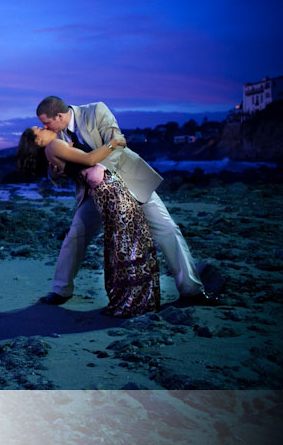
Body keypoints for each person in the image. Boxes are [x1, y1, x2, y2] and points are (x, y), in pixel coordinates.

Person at [34, 96, 218, 306]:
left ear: (59, 115)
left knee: (167, 228)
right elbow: (62, 168)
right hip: (93, 194)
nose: (44, 127)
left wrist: (100, 168)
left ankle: (191, 290)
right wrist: (56, 174)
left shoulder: (96, 110)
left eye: (46, 122)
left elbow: (117, 141)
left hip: (128, 180)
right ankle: (61, 290)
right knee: (75, 236)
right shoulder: (56, 135)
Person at [18, 126, 160, 317]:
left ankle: (134, 300)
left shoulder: (61, 142)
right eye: (39, 128)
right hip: (107, 190)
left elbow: (77, 162)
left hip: (108, 188)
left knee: (126, 240)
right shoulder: (53, 145)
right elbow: (90, 159)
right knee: (127, 240)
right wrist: (114, 142)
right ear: (37, 141)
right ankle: (133, 301)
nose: (44, 127)